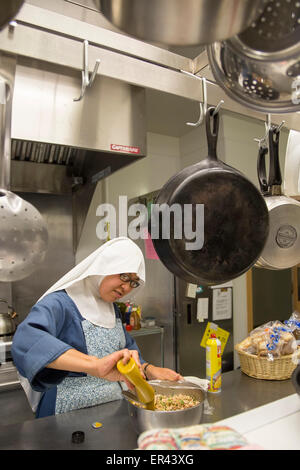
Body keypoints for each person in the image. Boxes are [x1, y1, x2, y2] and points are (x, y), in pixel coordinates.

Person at [11, 237, 182, 418]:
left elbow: (126, 347)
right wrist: (94, 365)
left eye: (133, 282)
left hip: (113, 409)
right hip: (68, 414)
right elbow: (27, 341)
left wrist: (149, 369)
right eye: (123, 276)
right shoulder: (60, 303)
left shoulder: (111, 307)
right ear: (104, 266)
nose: (126, 287)